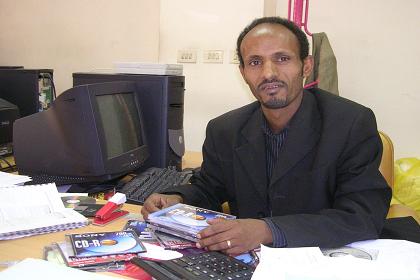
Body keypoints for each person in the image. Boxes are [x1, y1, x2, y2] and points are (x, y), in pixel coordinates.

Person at [141, 16, 391, 255]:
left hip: (322, 258)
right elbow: (210, 189)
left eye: (282, 58)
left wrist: (268, 230)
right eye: (255, 62)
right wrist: (177, 198)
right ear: (243, 72)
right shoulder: (225, 129)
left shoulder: (350, 123)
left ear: (306, 65)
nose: (268, 73)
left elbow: (362, 215)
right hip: (246, 261)